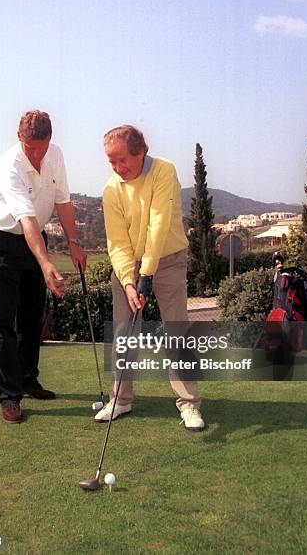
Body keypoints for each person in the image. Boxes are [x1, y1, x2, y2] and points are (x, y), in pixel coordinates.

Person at [94, 125, 205, 431]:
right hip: (128, 267)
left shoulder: (163, 171)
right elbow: (117, 243)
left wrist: (147, 274)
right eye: (111, 162)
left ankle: (188, 404)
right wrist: (130, 281)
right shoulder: (111, 189)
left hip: (168, 260)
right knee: (123, 333)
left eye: (122, 161)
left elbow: (159, 223)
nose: (117, 168)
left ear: (140, 151)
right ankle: (121, 400)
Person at [0, 110, 86, 423]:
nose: (38, 153)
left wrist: (73, 243)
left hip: (34, 238)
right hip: (4, 240)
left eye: (42, 146)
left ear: (50, 140)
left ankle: (28, 379)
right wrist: (45, 263)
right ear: (19, 139)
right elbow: (26, 220)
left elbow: (63, 201)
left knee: (31, 316)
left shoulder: (55, 154)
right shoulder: (9, 166)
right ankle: (8, 395)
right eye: (31, 148)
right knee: (3, 320)